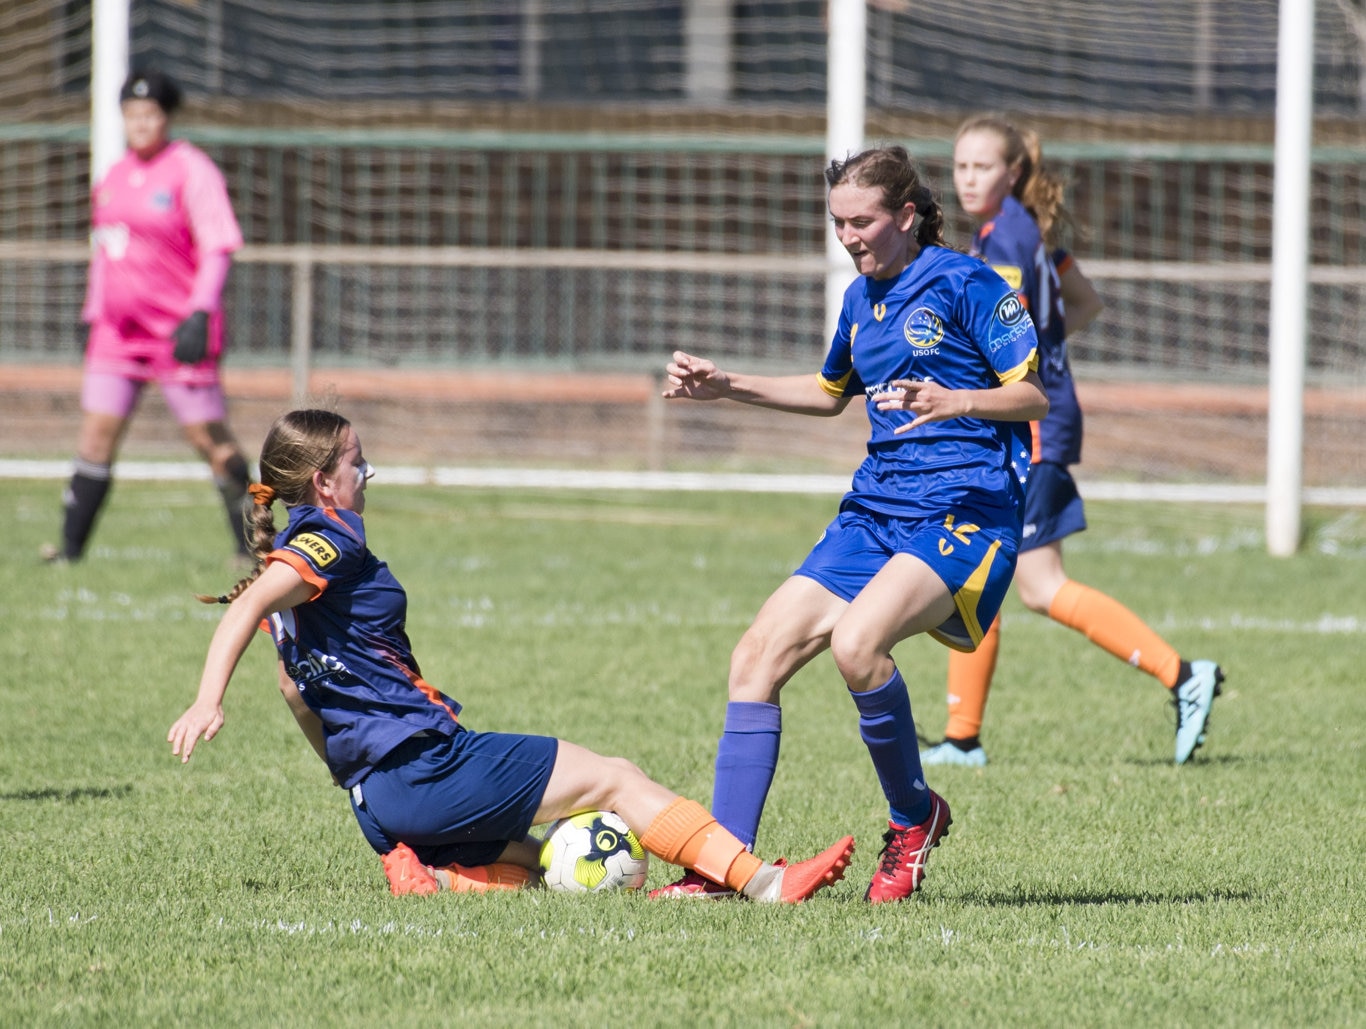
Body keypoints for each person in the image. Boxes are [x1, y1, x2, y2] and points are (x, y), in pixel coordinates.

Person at [167, 408, 855, 902]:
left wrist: (358, 792)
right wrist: (207, 697)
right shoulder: (328, 542)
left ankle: (438, 874)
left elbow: (294, 693)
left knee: (547, 852)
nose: (368, 470)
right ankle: (763, 881)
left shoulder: (292, 586)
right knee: (615, 778)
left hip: (381, 798)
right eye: (357, 460)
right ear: (324, 481)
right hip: (429, 767)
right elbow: (248, 604)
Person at [653, 145, 1049, 903]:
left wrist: (952, 400)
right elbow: (832, 390)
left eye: (861, 221)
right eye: (837, 222)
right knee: (754, 656)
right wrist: (727, 385)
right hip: (876, 510)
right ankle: (724, 869)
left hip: (965, 510)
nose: (848, 237)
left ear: (906, 215)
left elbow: (1033, 397)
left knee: (858, 643)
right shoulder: (861, 299)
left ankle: (912, 818)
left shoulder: (968, 283)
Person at [920, 114, 1223, 769]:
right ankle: (962, 738)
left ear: (1014, 173)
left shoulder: (1007, 241)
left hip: (1031, 428)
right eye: (960, 165)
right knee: (979, 567)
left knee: (1038, 584)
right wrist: (1046, 344)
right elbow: (1083, 302)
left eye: (982, 166)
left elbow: (1000, 330)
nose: (968, 177)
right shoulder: (1023, 233)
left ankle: (1183, 674)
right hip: (1028, 422)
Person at [43, 68, 251, 563]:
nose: (140, 123)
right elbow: (106, 251)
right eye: (132, 114)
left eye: (150, 114)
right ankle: (69, 552)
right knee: (96, 433)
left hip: (177, 332)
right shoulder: (113, 176)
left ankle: (253, 544)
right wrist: (93, 313)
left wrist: (200, 312)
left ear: (167, 117)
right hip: (116, 334)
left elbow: (218, 246)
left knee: (207, 439)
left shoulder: (191, 169)